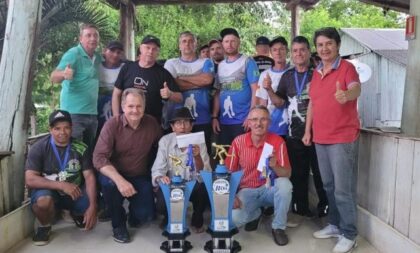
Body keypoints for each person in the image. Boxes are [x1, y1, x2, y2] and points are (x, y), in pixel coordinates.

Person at [304, 27, 361, 253]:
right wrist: (308, 131)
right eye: (320, 45)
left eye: (329, 43)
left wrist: (346, 95)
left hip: (342, 137)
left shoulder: (347, 68)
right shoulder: (316, 72)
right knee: (328, 185)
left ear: (337, 45)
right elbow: (313, 104)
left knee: (343, 190)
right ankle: (335, 224)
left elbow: (356, 88)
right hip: (321, 137)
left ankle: (350, 233)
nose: (324, 48)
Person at [266, 36, 328, 223]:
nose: (298, 54)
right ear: (291, 54)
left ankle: (324, 210)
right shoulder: (287, 76)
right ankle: (300, 209)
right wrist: (269, 89)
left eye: (302, 50)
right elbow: (279, 104)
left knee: (320, 173)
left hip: (319, 134)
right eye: (295, 51)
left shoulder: (318, 74)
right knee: (298, 174)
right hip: (294, 135)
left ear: (309, 52)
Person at [93, 88, 162, 243]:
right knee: (109, 185)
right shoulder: (112, 125)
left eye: (138, 106)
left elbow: (162, 147)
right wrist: (119, 180)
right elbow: (98, 158)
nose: (134, 110)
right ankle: (118, 224)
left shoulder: (151, 123)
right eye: (130, 106)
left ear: (144, 107)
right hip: (114, 175)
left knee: (145, 216)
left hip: (139, 174)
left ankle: (134, 213)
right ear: (123, 107)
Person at [25, 110, 97, 246]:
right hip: (49, 192)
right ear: (50, 129)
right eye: (57, 128)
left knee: (90, 201)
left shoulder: (81, 147)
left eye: (66, 128)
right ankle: (44, 226)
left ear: (71, 128)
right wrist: (62, 185)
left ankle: (74, 212)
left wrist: (93, 205)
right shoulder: (39, 147)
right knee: (44, 202)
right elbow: (30, 179)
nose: (62, 132)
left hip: (74, 192)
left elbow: (89, 176)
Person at [224, 105, 292, 246]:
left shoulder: (278, 141)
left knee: (285, 185)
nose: (258, 123)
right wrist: (231, 195)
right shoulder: (238, 142)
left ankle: (278, 227)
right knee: (232, 220)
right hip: (247, 190)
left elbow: (287, 173)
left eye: (263, 119)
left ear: (269, 122)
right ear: (248, 123)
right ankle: (256, 213)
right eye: (254, 119)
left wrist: (275, 165)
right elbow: (227, 172)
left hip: (269, 189)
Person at [151, 107, 211, 233]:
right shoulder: (165, 141)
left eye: (186, 122)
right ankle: (170, 217)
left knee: (203, 187)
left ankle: (197, 216)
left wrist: (197, 156)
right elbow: (158, 168)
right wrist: (161, 177)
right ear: (173, 127)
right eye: (178, 123)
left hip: (193, 184)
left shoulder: (199, 142)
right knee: (161, 203)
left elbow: (205, 174)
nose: (182, 126)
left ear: (191, 125)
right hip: (173, 184)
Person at [50, 23, 102, 151]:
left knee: (88, 153)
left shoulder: (98, 57)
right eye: (88, 35)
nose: (92, 38)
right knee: (73, 153)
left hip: (92, 114)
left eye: (95, 35)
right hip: (74, 114)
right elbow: (53, 77)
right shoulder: (73, 53)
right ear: (80, 38)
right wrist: (63, 73)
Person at [111, 35, 182, 128]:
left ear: (158, 52)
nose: (150, 51)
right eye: (147, 47)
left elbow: (180, 97)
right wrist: (116, 118)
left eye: (154, 49)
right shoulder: (128, 68)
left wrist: (170, 94)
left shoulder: (162, 73)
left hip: (151, 125)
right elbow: (116, 93)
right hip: (126, 122)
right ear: (140, 48)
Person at [164, 31, 214, 153]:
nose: (187, 44)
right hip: (178, 120)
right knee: (179, 156)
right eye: (184, 41)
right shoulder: (171, 63)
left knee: (202, 156)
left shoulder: (206, 62)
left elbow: (207, 80)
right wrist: (197, 81)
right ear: (179, 45)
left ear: (196, 45)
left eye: (191, 41)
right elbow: (171, 85)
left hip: (202, 118)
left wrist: (180, 79)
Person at [212, 28, 260, 145]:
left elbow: (256, 90)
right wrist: (214, 117)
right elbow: (218, 93)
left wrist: (251, 116)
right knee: (225, 158)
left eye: (233, 41)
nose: (229, 44)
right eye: (226, 41)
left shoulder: (247, 61)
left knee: (244, 159)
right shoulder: (221, 65)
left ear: (238, 42)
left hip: (243, 121)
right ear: (222, 44)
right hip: (224, 122)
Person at [256, 36, 290, 137]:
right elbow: (262, 103)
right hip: (272, 126)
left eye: (281, 49)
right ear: (271, 52)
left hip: (292, 126)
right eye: (275, 50)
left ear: (287, 51)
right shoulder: (264, 75)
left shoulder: (294, 71)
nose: (278, 53)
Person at [97, 40, 125, 135]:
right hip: (96, 106)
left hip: (118, 106)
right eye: (112, 51)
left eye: (118, 52)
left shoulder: (125, 68)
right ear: (105, 51)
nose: (115, 55)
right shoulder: (96, 66)